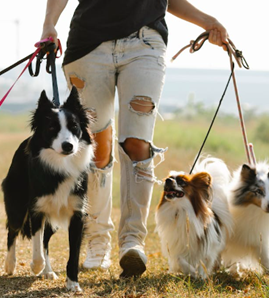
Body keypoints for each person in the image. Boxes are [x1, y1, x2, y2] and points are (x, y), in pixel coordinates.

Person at [40, 0, 229, 278]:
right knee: (97, 148)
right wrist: (49, 24)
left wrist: (207, 21)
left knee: (138, 143)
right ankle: (97, 240)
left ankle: (132, 241)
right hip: (88, 45)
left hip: (145, 44)